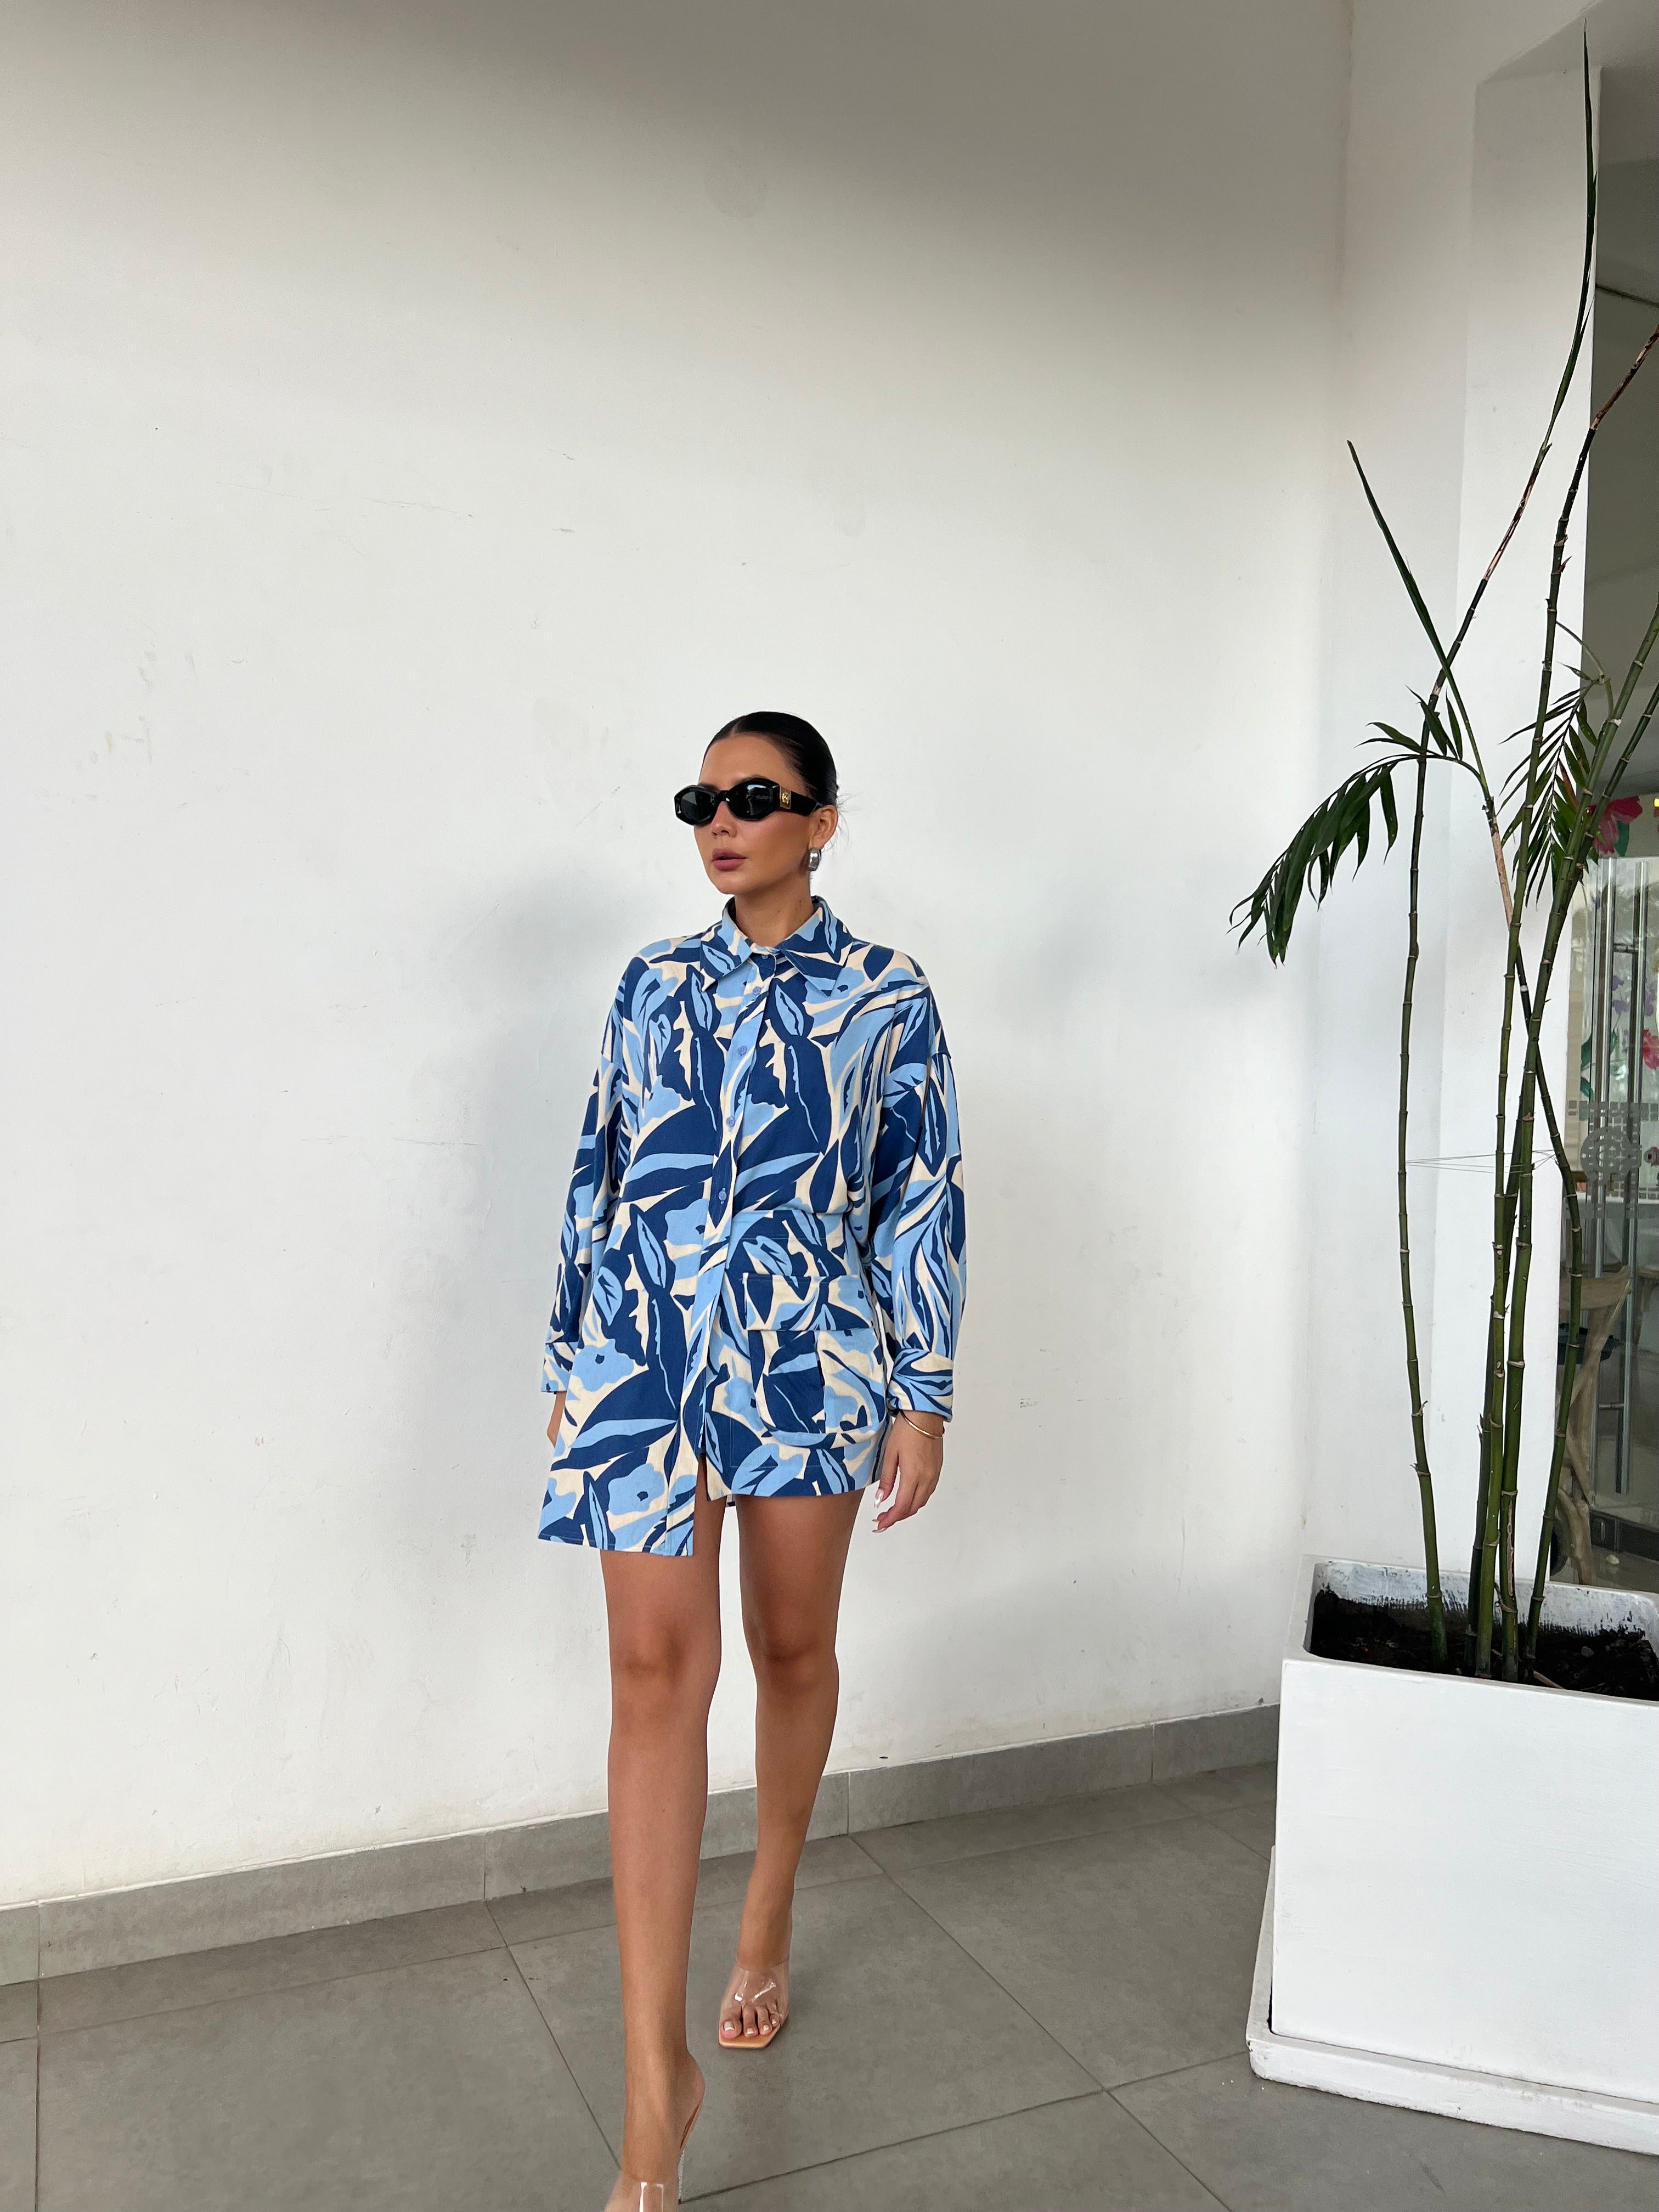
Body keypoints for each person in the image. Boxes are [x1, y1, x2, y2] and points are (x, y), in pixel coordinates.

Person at [539, 710, 967, 2212]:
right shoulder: (649, 984)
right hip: (645, 1357)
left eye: (754, 797)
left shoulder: (886, 995)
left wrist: (923, 1393)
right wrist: (571, 1360)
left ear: (821, 821)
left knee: (792, 1651)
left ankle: (768, 1908)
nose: (719, 822)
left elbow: (920, 1196)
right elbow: (599, 1169)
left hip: (810, 1360)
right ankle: (653, 2090)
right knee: (653, 1679)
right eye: (700, 800)